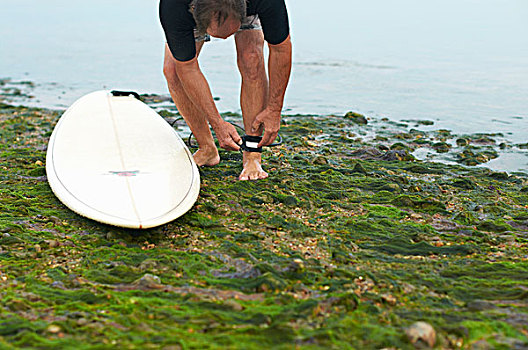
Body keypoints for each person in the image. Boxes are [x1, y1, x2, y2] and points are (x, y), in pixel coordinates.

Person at [160, 0, 292, 180]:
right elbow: (187, 67)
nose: (224, 40)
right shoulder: (174, 7)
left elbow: (280, 48)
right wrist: (218, 124)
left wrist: (274, 109)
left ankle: (252, 153)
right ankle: (207, 148)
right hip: (191, 8)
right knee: (173, 71)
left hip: (245, 6)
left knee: (251, 59)